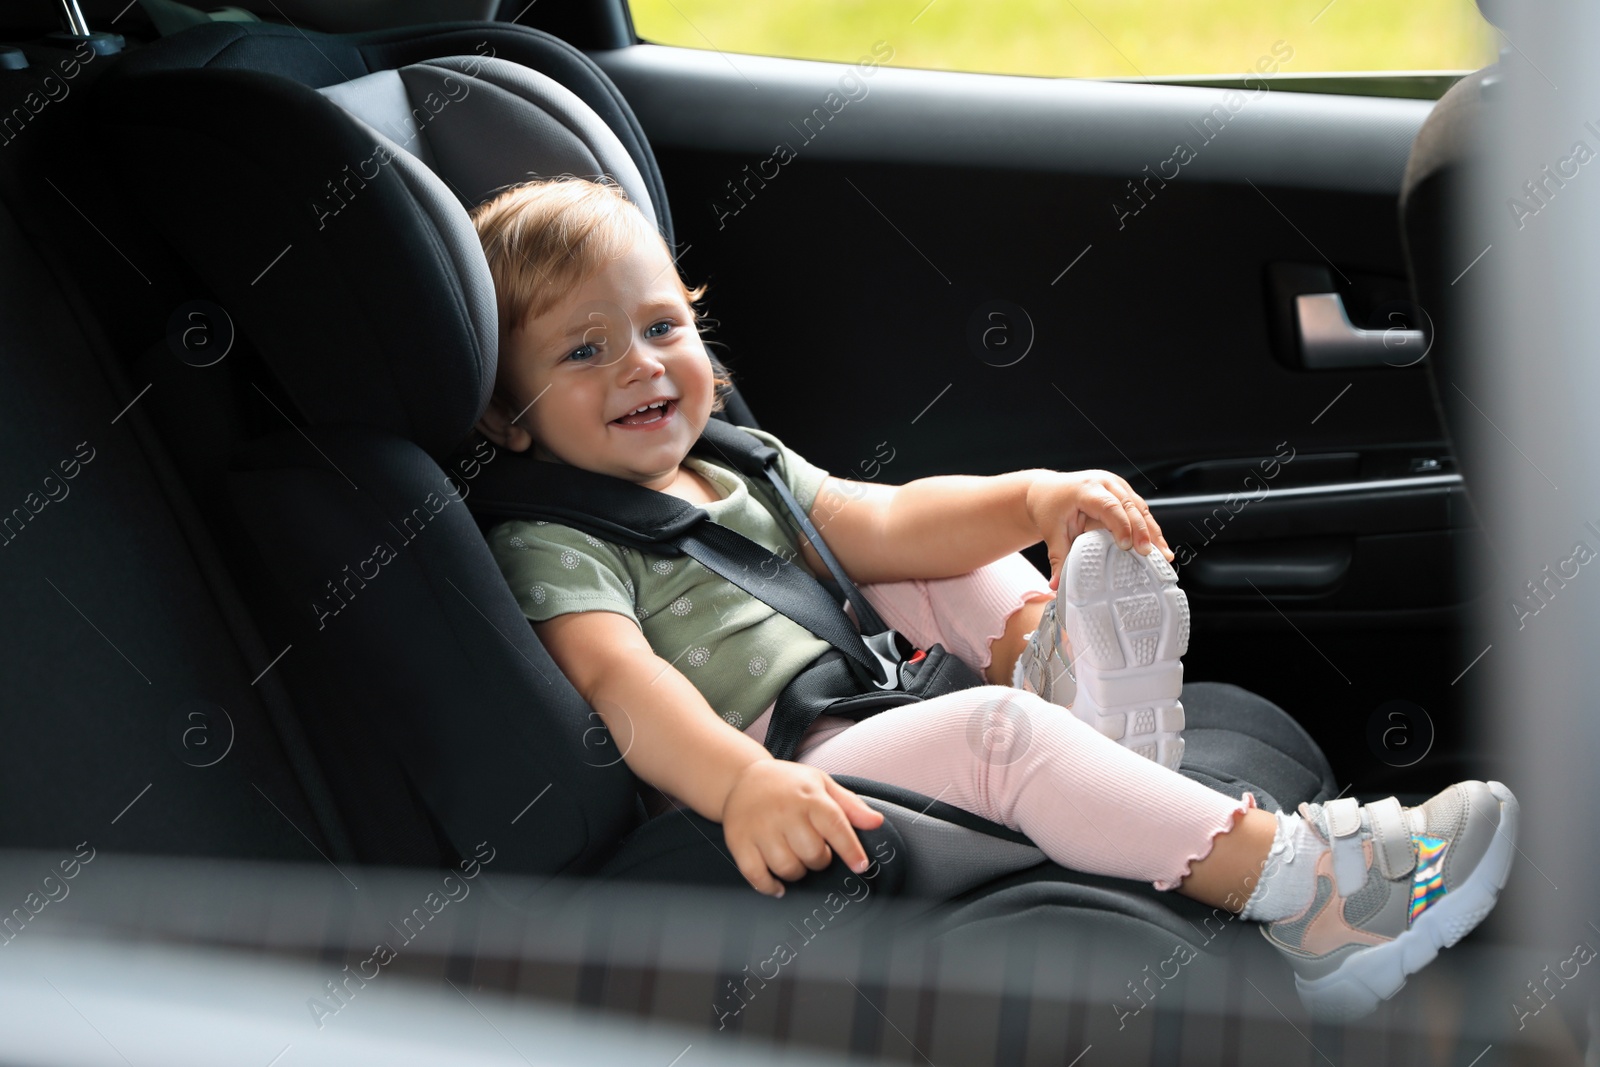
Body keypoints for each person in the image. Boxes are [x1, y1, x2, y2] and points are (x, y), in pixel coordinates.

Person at [468, 176, 1517, 1020]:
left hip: (868, 700)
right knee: (993, 731)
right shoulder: (550, 539)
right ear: (508, 419)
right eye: (583, 350)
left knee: (933, 562)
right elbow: (622, 680)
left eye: (660, 326)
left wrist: (1034, 497)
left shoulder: (738, 463)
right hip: (789, 777)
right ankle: (1318, 896)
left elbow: (886, 519)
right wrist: (744, 785)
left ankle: (1062, 678)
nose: (641, 366)